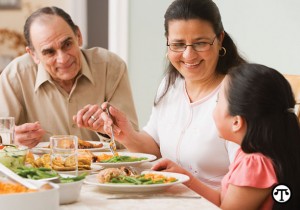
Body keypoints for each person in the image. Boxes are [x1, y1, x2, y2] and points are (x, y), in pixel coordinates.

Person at [97, 0, 246, 189]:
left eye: (200, 43)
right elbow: (155, 148)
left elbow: (244, 185)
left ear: (220, 39)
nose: (188, 55)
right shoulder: (171, 84)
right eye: (178, 44)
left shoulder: (238, 95)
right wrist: (125, 133)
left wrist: (183, 179)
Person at [152, 63, 300, 210]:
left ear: (236, 122)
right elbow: (222, 200)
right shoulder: (248, 154)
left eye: (217, 102)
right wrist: (183, 176)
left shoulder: (255, 164)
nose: (213, 109)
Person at [0, 6, 138, 148]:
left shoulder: (111, 67)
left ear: (78, 36)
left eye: (67, 44)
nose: (63, 59)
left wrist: (107, 130)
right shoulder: (15, 76)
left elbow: (134, 143)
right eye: (49, 52)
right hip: (38, 169)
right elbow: (1, 137)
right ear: (33, 54)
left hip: (102, 169)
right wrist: (10, 141)